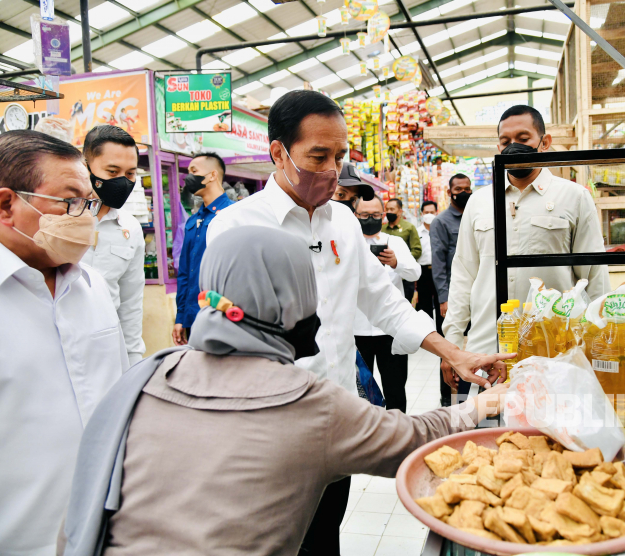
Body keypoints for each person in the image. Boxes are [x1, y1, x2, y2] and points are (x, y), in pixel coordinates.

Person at [59, 226, 507, 556]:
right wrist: (481, 406)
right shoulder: (305, 402)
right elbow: (412, 440)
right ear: (294, 300)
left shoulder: (149, 376)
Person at [206, 90, 510, 555]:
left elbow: (384, 301)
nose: (332, 170)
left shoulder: (343, 223)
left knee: (327, 533)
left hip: (334, 414)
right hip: (267, 426)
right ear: (278, 153)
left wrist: (456, 353)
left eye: (340, 156)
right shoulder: (236, 228)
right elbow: (224, 331)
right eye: (318, 156)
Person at [0, 130, 128, 555]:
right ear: (6, 205)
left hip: (103, 534)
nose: (84, 216)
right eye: (69, 202)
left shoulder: (93, 287)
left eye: (88, 202)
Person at [443, 105, 610, 377]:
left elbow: (594, 276)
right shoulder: (480, 202)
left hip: (555, 351)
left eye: (523, 139)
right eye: (506, 142)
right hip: (488, 350)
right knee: (490, 418)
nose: (513, 147)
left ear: (544, 142)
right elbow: (464, 274)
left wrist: (599, 340)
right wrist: (452, 345)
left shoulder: (574, 197)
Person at [81, 125, 146, 364]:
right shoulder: (58, 218)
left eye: (130, 174)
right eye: (112, 171)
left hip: (109, 352)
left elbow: (130, 303)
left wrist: (134, 360)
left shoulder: (130, 228)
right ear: (85, 166)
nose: (123, 181)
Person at [353, 196, 421, 413]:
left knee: (395, 388)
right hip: (356, 329)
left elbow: (415, 272)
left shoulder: (395, 242)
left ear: (383, 216)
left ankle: (398, 433)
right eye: (364, 215)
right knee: (360, 391)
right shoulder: (348, 242)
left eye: (375, 215)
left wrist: (395, 262)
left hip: (391, 330)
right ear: (355, 216)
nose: (370, 219)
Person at [173, 152, 234, 346]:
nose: (188, 177)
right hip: (193, 317)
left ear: (212, 175)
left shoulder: (234, 215)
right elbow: (184, 273)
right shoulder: (193, 221)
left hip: (223, 316)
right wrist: (181, 317)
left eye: (194, 171)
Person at [431, 173, 471, 405]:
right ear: (449, 192)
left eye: (467, 188)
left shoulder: (476, 216)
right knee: (448, 346)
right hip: (451, 294)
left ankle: (471, 389)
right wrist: (443, 298)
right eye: (458, 188)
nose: (464, 192)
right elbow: (438, 262)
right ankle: (447, 396)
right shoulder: (442, 222)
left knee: (472, 343)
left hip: (474, 293)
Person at [383, 197, 422, 301]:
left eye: (392, 209)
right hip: (387, 277)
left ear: (400, 211)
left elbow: (417, 250)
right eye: (387, 209)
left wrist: (401, 260)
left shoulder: (409, 227)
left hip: (405, 276)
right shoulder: (382, 229)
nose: (389, 212)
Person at [416, 200, 439, 319]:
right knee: (425, 304)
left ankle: (442, 333)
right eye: (426, 212)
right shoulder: (416, 232)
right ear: (421, 214)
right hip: (423, 271)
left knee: (441, 302)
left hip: (439, 270)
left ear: (436, 213)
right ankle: (427, 333)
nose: (429, 214)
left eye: (432, 212)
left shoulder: (440, 230)